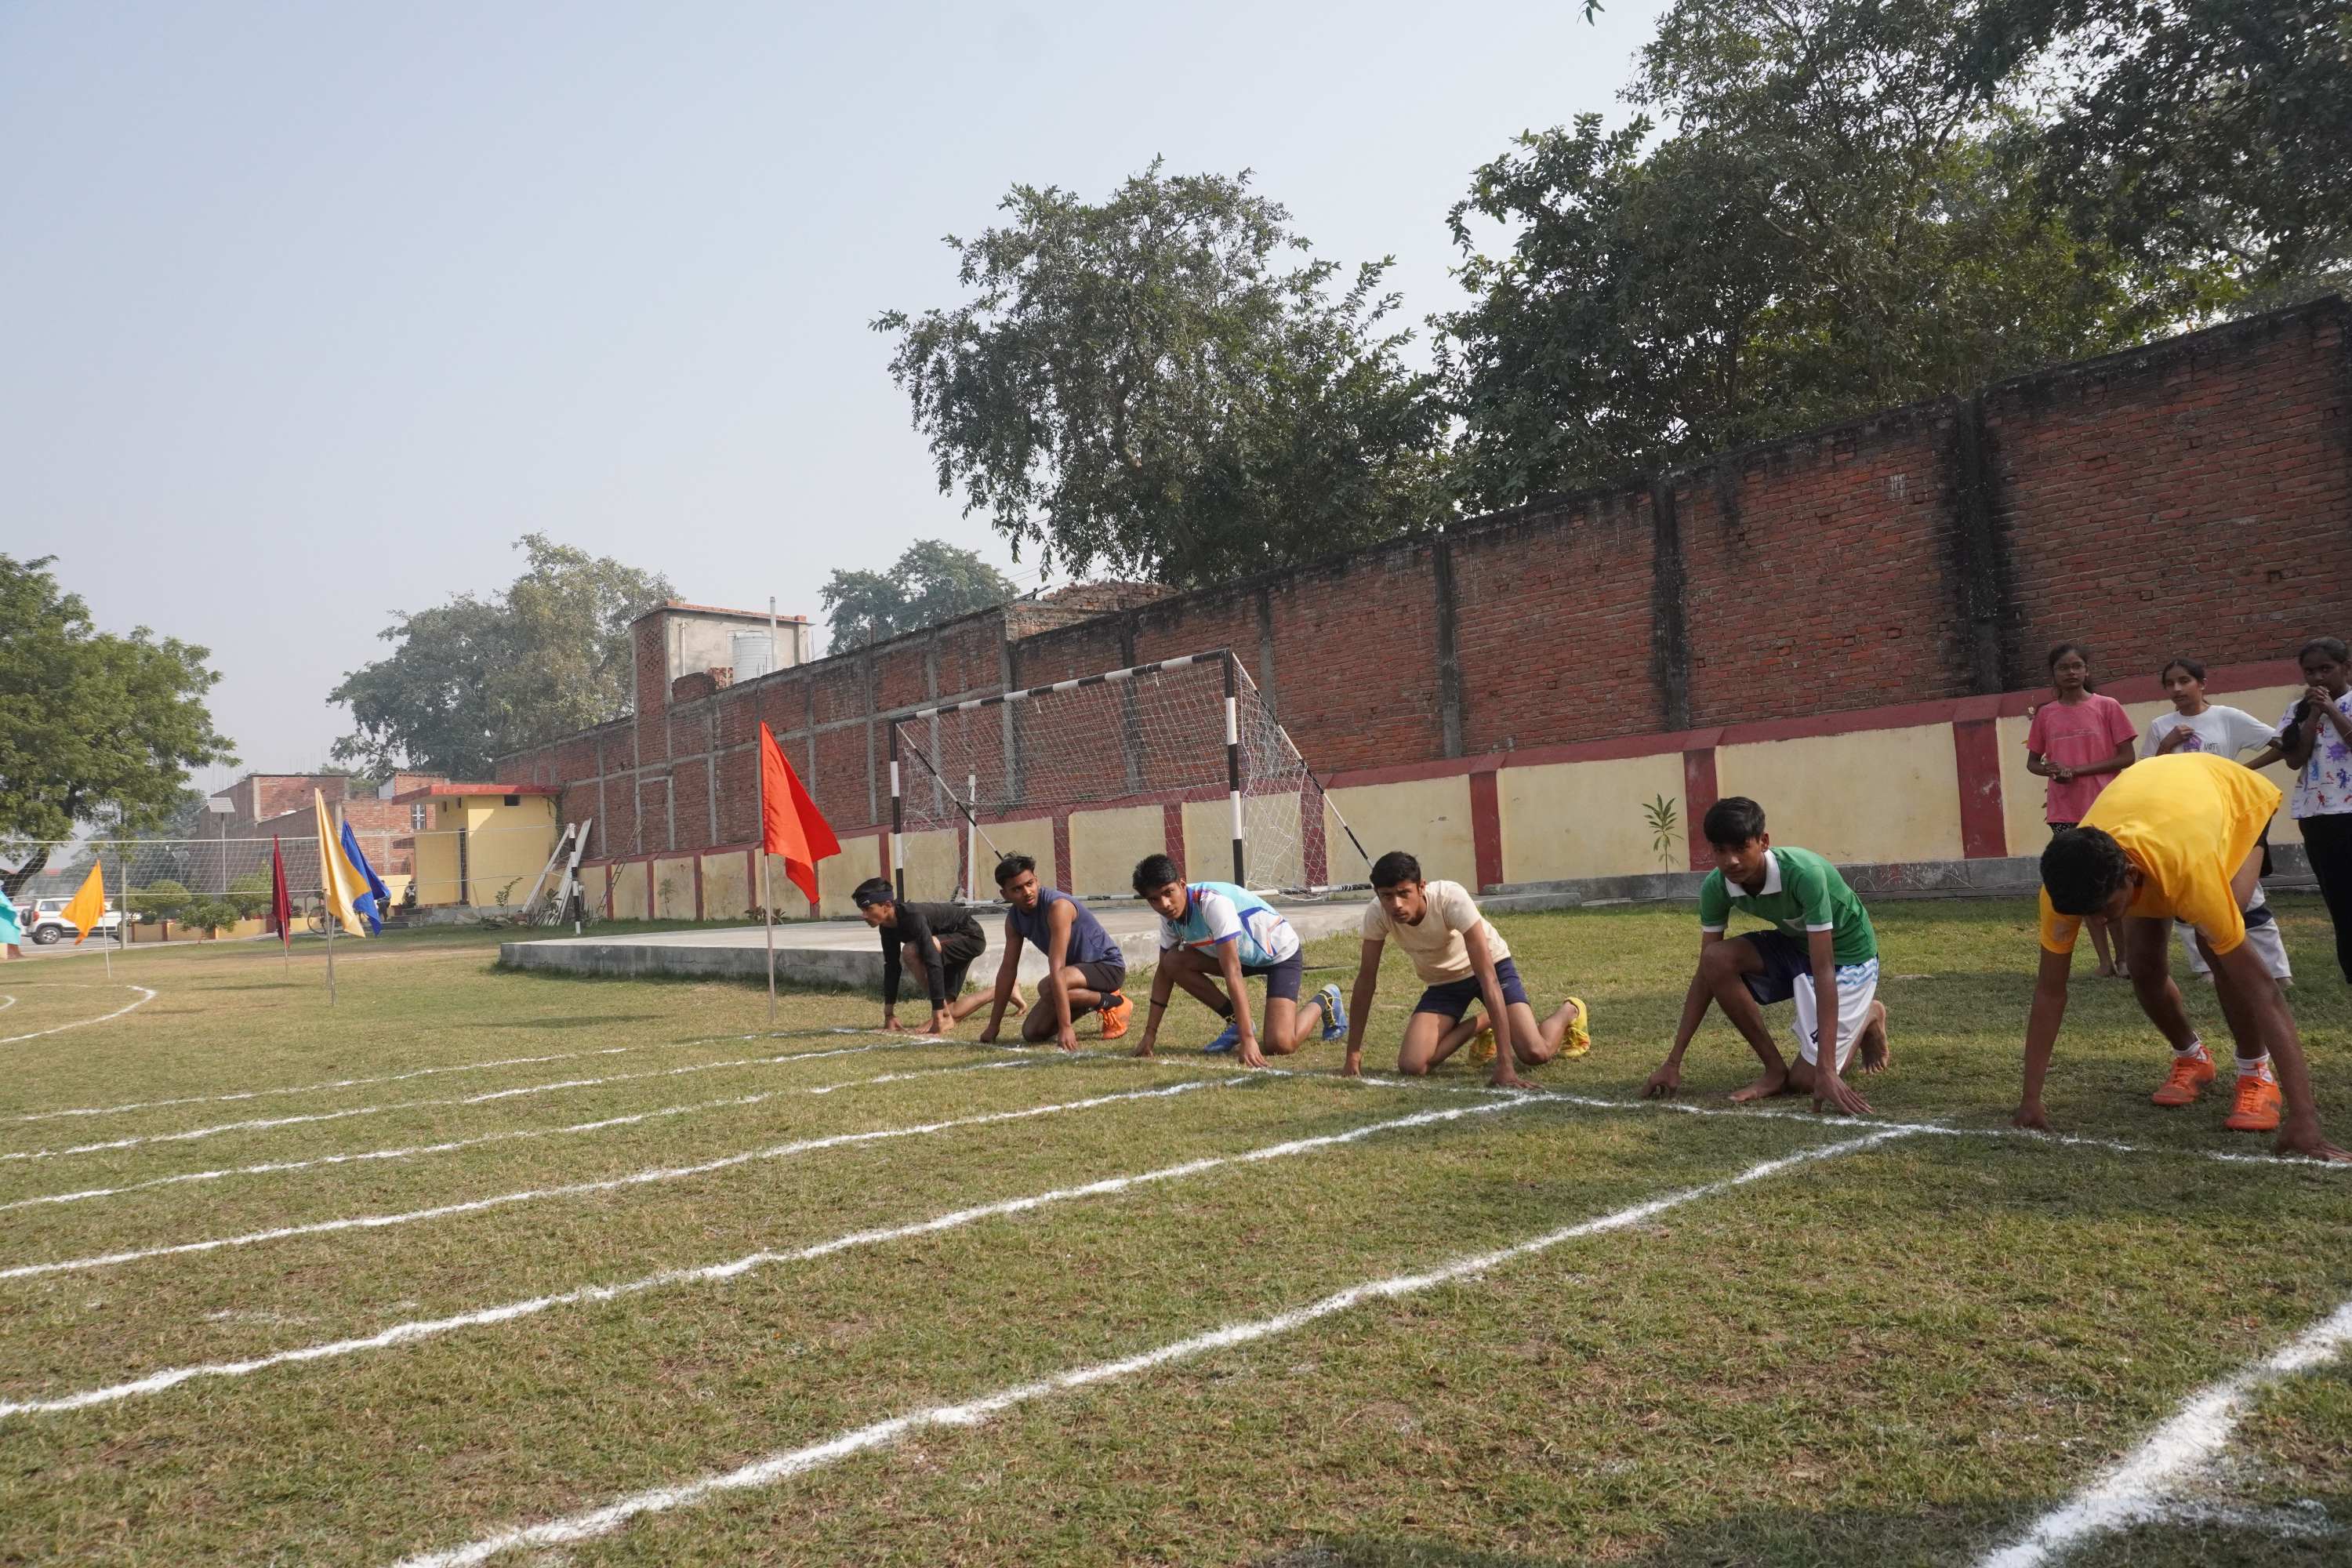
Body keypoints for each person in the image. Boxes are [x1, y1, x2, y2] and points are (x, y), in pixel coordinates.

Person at [2018, 753, 2345, 1160]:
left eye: (2104, 908)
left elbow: (2265, 992)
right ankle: (2193, 1058)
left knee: (2219, 949)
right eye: (2087, 914)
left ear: (2131, 875)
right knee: (2142, 963)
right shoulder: (2062, 890)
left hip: (2234, 799)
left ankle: (2255, 1072)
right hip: (2158, 802)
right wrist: (2031, 1098)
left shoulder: (2188, 872)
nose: (2098, 922)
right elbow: (2051, 992)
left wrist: (2305, 1119)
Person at [1642, 798, 1888, 1113]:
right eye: (1720, 851)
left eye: (1741, 848)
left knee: (1807, 1080)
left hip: (1847, 958)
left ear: (1764, 842)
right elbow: (1706, 974)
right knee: (1716, 959)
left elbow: (1824, 967)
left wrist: (1827, 1070)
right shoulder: (1717, 887)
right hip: (1795, 945)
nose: (1731, 861)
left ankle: (1869, 1015)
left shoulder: (1804, 874)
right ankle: (1773, 1070)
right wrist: (1672, 1061)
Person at [1341, 851, 1590, 1091]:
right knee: (1412, 1065)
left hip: (1491, 968)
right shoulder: (1377, 914)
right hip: (1443, 983)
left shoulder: (1452, 898)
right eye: (1386, 896)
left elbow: (1488, 978)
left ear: (1421, 887)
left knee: (1536, 1053)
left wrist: (1505, 1064)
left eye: (1404, 893)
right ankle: (1486, 1021)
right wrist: (1353, 1052)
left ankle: (1570, 1010)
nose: (1396, 904)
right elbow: (1366, 981)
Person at [2140, 657, 2292, 989]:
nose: (2177, 689)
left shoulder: (2227, 717)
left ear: (2202, 683)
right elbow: (2144, 774)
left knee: (2247, 895)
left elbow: (2282, 744)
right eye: (2170, 684)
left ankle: (2279, 972)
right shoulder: (2160, 726)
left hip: (2226, 819)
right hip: (2179, 821)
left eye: (2185, 681)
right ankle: (2205, 969)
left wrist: (2241, 772)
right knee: (2187, 893)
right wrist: (2166, 745)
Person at [1127, 855, 1346, 1069]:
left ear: (1182, 884)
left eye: (1168, 893)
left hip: (1279, 955)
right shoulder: (1169, 918)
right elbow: (1164, 973)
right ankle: (1235, 1022)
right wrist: (1149, 1034)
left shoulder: (1212, 903)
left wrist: (1248, 1039)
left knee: (1280, 1044)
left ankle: (1326, 998)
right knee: (1172, 961)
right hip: (1241, 957)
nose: (1164, 904)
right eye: (1154, 899)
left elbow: (1233, 970)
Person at [2027, 643, 2139, 978]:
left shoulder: (2108, 707)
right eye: (2064, 668)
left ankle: (2125, 957)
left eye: (2077, 666)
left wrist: (2078, 771)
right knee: (2081, 885)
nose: (2071, 673)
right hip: (2065, 812)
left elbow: (2126, 758)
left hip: (2107, 806)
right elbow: (2033, 762)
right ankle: (2105, 961)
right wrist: (2051, 771)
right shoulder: (2046, 714)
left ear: (2087, 670)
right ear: (2054, 674)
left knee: (2113, 882)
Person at [975, 855, 1132, 1051]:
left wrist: (1066, 1027)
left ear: (1037, 880)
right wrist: (993, 1026)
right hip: (1073, 974)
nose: (1027, 892)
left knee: (1047, 987)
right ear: (1004, 894)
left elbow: (1057, 967)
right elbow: (1008, 970)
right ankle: (1097, 1000)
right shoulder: (1013, 920)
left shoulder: (1058, 907)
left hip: (1107, 967)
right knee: (1032, 1033)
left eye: (1030, 883)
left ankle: (1114, 1002)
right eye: (1017, 889)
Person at [850, 877, 1016, 1034]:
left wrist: (937, 1014)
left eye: (867, 909)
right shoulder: (886, 927)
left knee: (911, 950)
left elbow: (931, 960)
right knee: (953, 1012)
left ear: (886, 905)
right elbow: (892, 966)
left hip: (969, 937)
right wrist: (889, 1013)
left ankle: (942, 1015)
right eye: (862, 910)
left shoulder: (912, 917)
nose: (863, 915)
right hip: (944, 946)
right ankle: (1007, 990)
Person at [2278, 636, 2352, 985]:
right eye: (2310, 672)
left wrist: (2333, 709)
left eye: (2326, 669)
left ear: (2346, 668)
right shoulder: (2297, 711)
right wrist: (2312, 715)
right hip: (2318, 814)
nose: (2318, 678)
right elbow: (2294, 760)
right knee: (2338, 894)